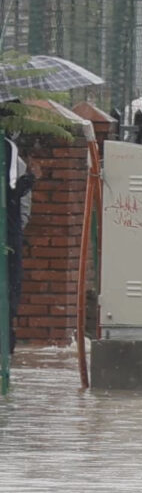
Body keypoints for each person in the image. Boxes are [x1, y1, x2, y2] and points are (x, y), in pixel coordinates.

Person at [3, 120, 32, 359]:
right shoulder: (11, 154)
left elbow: (21, 208)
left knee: (10, 293)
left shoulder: (13, 158)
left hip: (9, 240)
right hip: (10, 239)